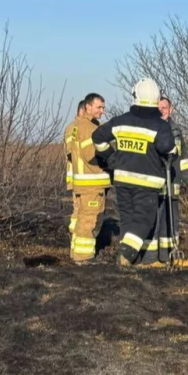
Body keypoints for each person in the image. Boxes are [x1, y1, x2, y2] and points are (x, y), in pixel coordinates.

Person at [92, 78, 177, 268]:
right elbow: (167, 147)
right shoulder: (159, 125)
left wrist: (111, 158)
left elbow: (97, 137)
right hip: (147, 182)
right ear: (155, 99)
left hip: (122, 180)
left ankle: (132, 260)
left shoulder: (121, 121)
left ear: (135, 96)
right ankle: (125, 255)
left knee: (128, 220)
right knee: (144, 220)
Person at [62, 93, 110, 264]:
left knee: (80, 217)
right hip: (91, 183)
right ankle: (83, 257)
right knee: (89, 219)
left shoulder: (73, 128)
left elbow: (70, 154)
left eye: (103, 108)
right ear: (87, 107)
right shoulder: (90, 129)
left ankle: (76, 252)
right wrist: (111, 158)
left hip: (79, 182)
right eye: (99, 107)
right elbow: (92, 155)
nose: (102, 111)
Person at [155, 96, 188, 267]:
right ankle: (155, 257)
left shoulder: (176, 131)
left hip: (173, 183)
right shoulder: (151, 128)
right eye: (159, 107)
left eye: (164, 107)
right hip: (155, 184)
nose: (162, 110)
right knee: (156, 219)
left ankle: (171, 254)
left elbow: (183, 158)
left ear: (171, 110)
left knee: (172, 220)